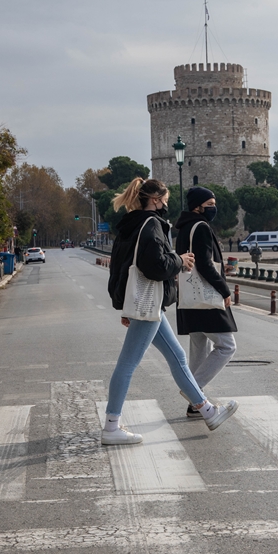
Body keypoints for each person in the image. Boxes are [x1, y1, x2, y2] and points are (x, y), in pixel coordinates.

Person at [105, 178, 238, 445]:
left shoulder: (129, 224)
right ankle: (111, 426)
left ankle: (207, 411)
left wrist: (123, 303)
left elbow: (119, 265)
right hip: (148, 303)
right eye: (164, 200)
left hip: (144, 303)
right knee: (127, 363)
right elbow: (155, 265)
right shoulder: (151, 224)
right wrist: (180, 260)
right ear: (154, 200)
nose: (166, 204)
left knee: (177, 356)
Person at [174, 187, 237, 418]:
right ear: (197, 206)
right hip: (206, 297)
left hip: (189, 298)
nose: (214, 207)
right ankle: (194, 392)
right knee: (227, 346)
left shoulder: (184, 229)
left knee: (200, 349)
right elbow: (205, 264)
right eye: (210, 203)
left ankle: (194, 406)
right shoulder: (200, 227)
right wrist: (224, 289)